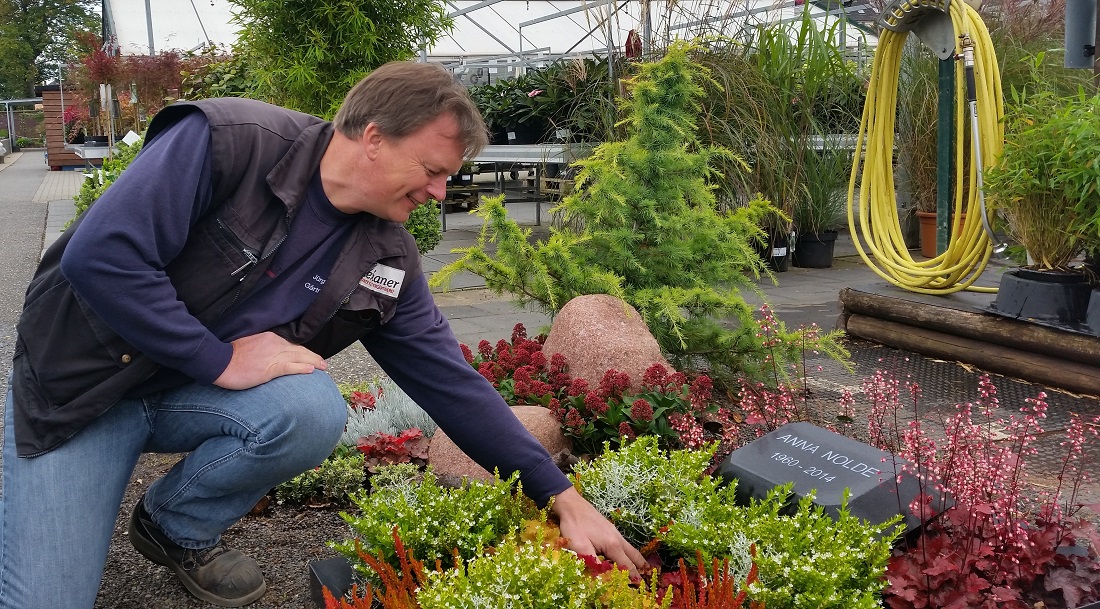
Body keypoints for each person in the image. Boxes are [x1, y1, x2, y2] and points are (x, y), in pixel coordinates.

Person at [0, 61, 646, 609]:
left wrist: (560, 496)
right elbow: (103, 258)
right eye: (430, 168)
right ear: (372, 137)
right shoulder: (230, 141)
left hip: (181, 394)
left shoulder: (385, 257)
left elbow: (451, 382)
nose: (440, 191)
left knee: (310, 407)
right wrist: (219, 357)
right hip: (82, 392)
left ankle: (173, 525)